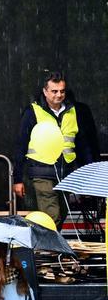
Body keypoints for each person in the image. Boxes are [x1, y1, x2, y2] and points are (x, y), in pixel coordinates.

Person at [13, 71, 94, 226]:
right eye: (54, 91)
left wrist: (88, 172)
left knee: (62, 214)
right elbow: (20, 145)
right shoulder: (33, 112)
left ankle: (46, 247)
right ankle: (47, 249)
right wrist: (17, 179)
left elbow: (83, 145)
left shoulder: (73, 111)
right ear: (45, 91)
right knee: (52, 216)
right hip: (42, 172)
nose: (58, 95)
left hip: (66, 172)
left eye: (62, 91)